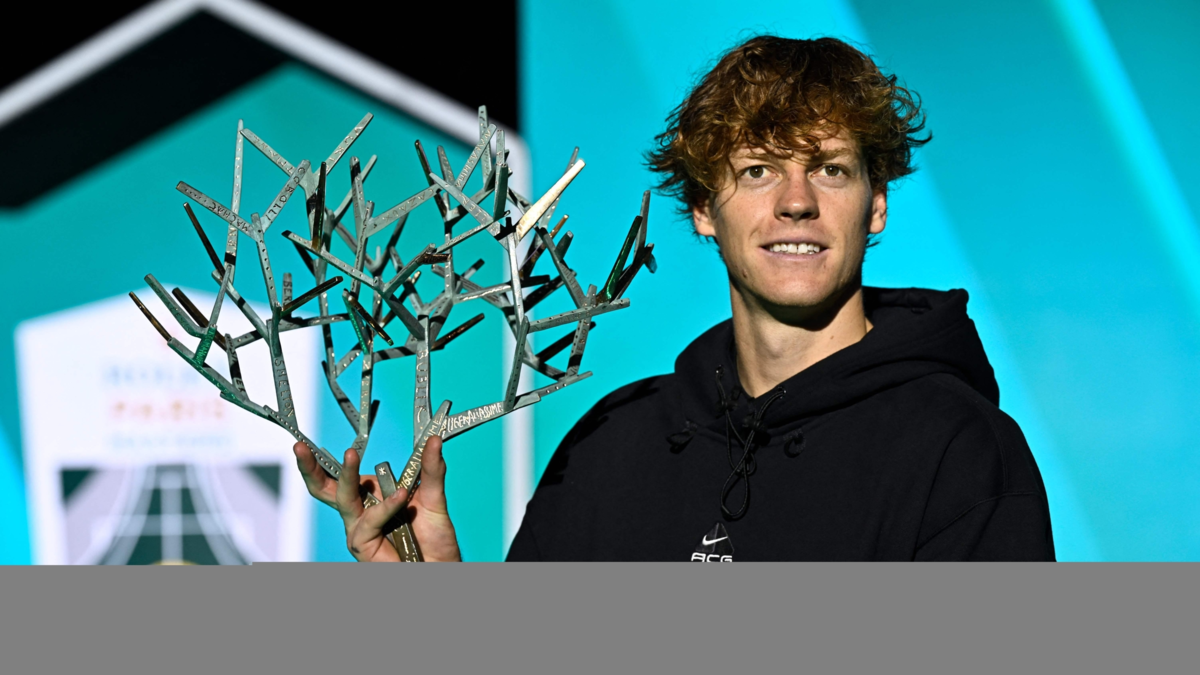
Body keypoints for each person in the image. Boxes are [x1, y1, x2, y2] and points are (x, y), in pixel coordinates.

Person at [293, 35, 1055, 562]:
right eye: (758, 170)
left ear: (876, 204)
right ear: (702, 209)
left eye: (829, 169)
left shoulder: (962, 454)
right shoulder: (610, 450)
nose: (796, 202)